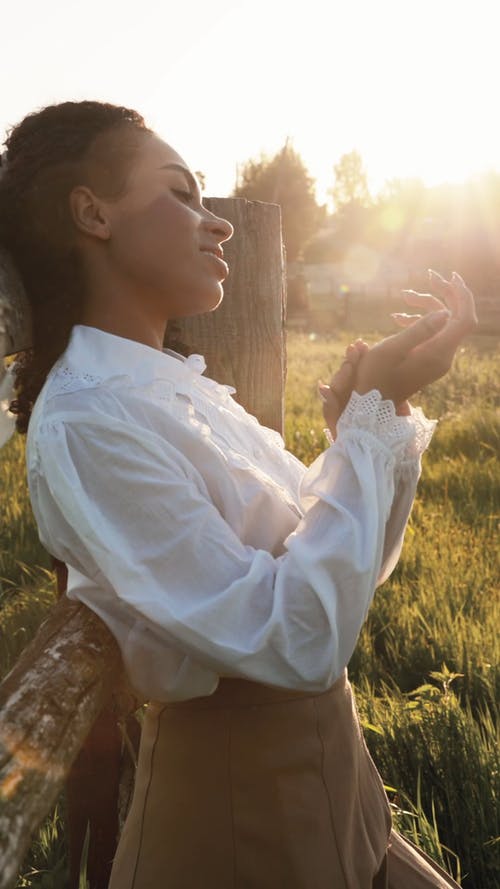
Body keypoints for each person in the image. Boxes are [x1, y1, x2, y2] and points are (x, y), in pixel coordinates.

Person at [0, 100, 477, 889]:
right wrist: (359, 432)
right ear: (93, 213)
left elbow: (351, 574)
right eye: (181, 194)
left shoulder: (178, 391)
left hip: (345, 797)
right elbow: (298, 638)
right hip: (239, 832)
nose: (216, 223)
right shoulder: (90, 419)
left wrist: (374, 415)